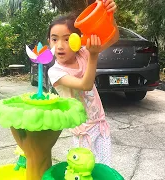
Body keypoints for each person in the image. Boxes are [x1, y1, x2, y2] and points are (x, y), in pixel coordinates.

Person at [47, 0, 119, 166]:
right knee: (83, 168)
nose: (60, 46)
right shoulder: (55, 72)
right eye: (54, 39)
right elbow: (85, 85)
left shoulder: (83, 53)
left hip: (100, 123)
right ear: (49, 41)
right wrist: (93, 56)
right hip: (82, 129)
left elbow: (113, 37)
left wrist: (110, 16)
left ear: (77, 39)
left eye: (66, 39)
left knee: (103, 167)